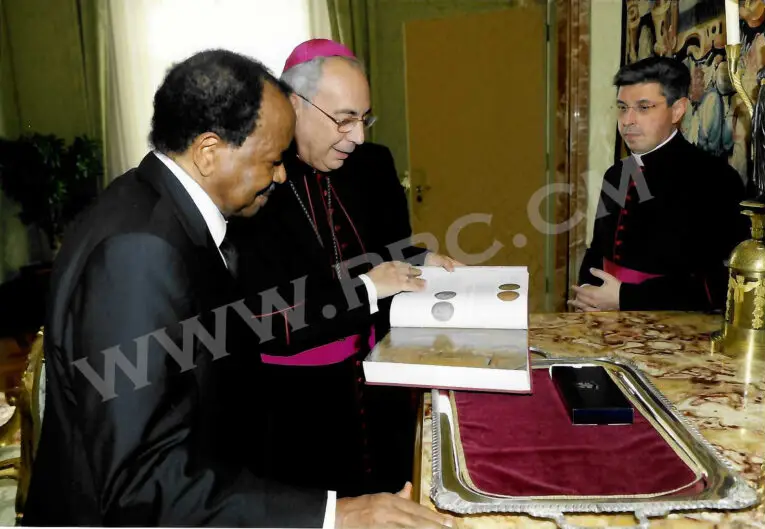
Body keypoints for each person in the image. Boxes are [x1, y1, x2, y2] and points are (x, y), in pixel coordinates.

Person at [23, 49, 451, 529]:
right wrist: (337, 514)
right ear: (209, 152)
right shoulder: (139, 252)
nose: (282, 174)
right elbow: (140, 484)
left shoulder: (151, 204)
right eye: (272, 159)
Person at [227, 39, 459, 498]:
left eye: (364, 118)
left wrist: (420, 259)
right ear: (294, 105)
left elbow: (387, 247)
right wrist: (367, 288)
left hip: (381, 380)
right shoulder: (253, 179)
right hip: (296, 402)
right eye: (344, 119)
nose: (358, 137)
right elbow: (263, 316)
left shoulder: (373, 163)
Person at [570, 56, 748, 312]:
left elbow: (723, 285)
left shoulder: (715, 180)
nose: (627, 120)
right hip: (603, 324)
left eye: (643, 108)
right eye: (622, 107)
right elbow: (598, 249)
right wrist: (587, 291)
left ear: (677, 110)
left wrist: (626, 297)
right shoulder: (617, 174)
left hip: (675, 329)